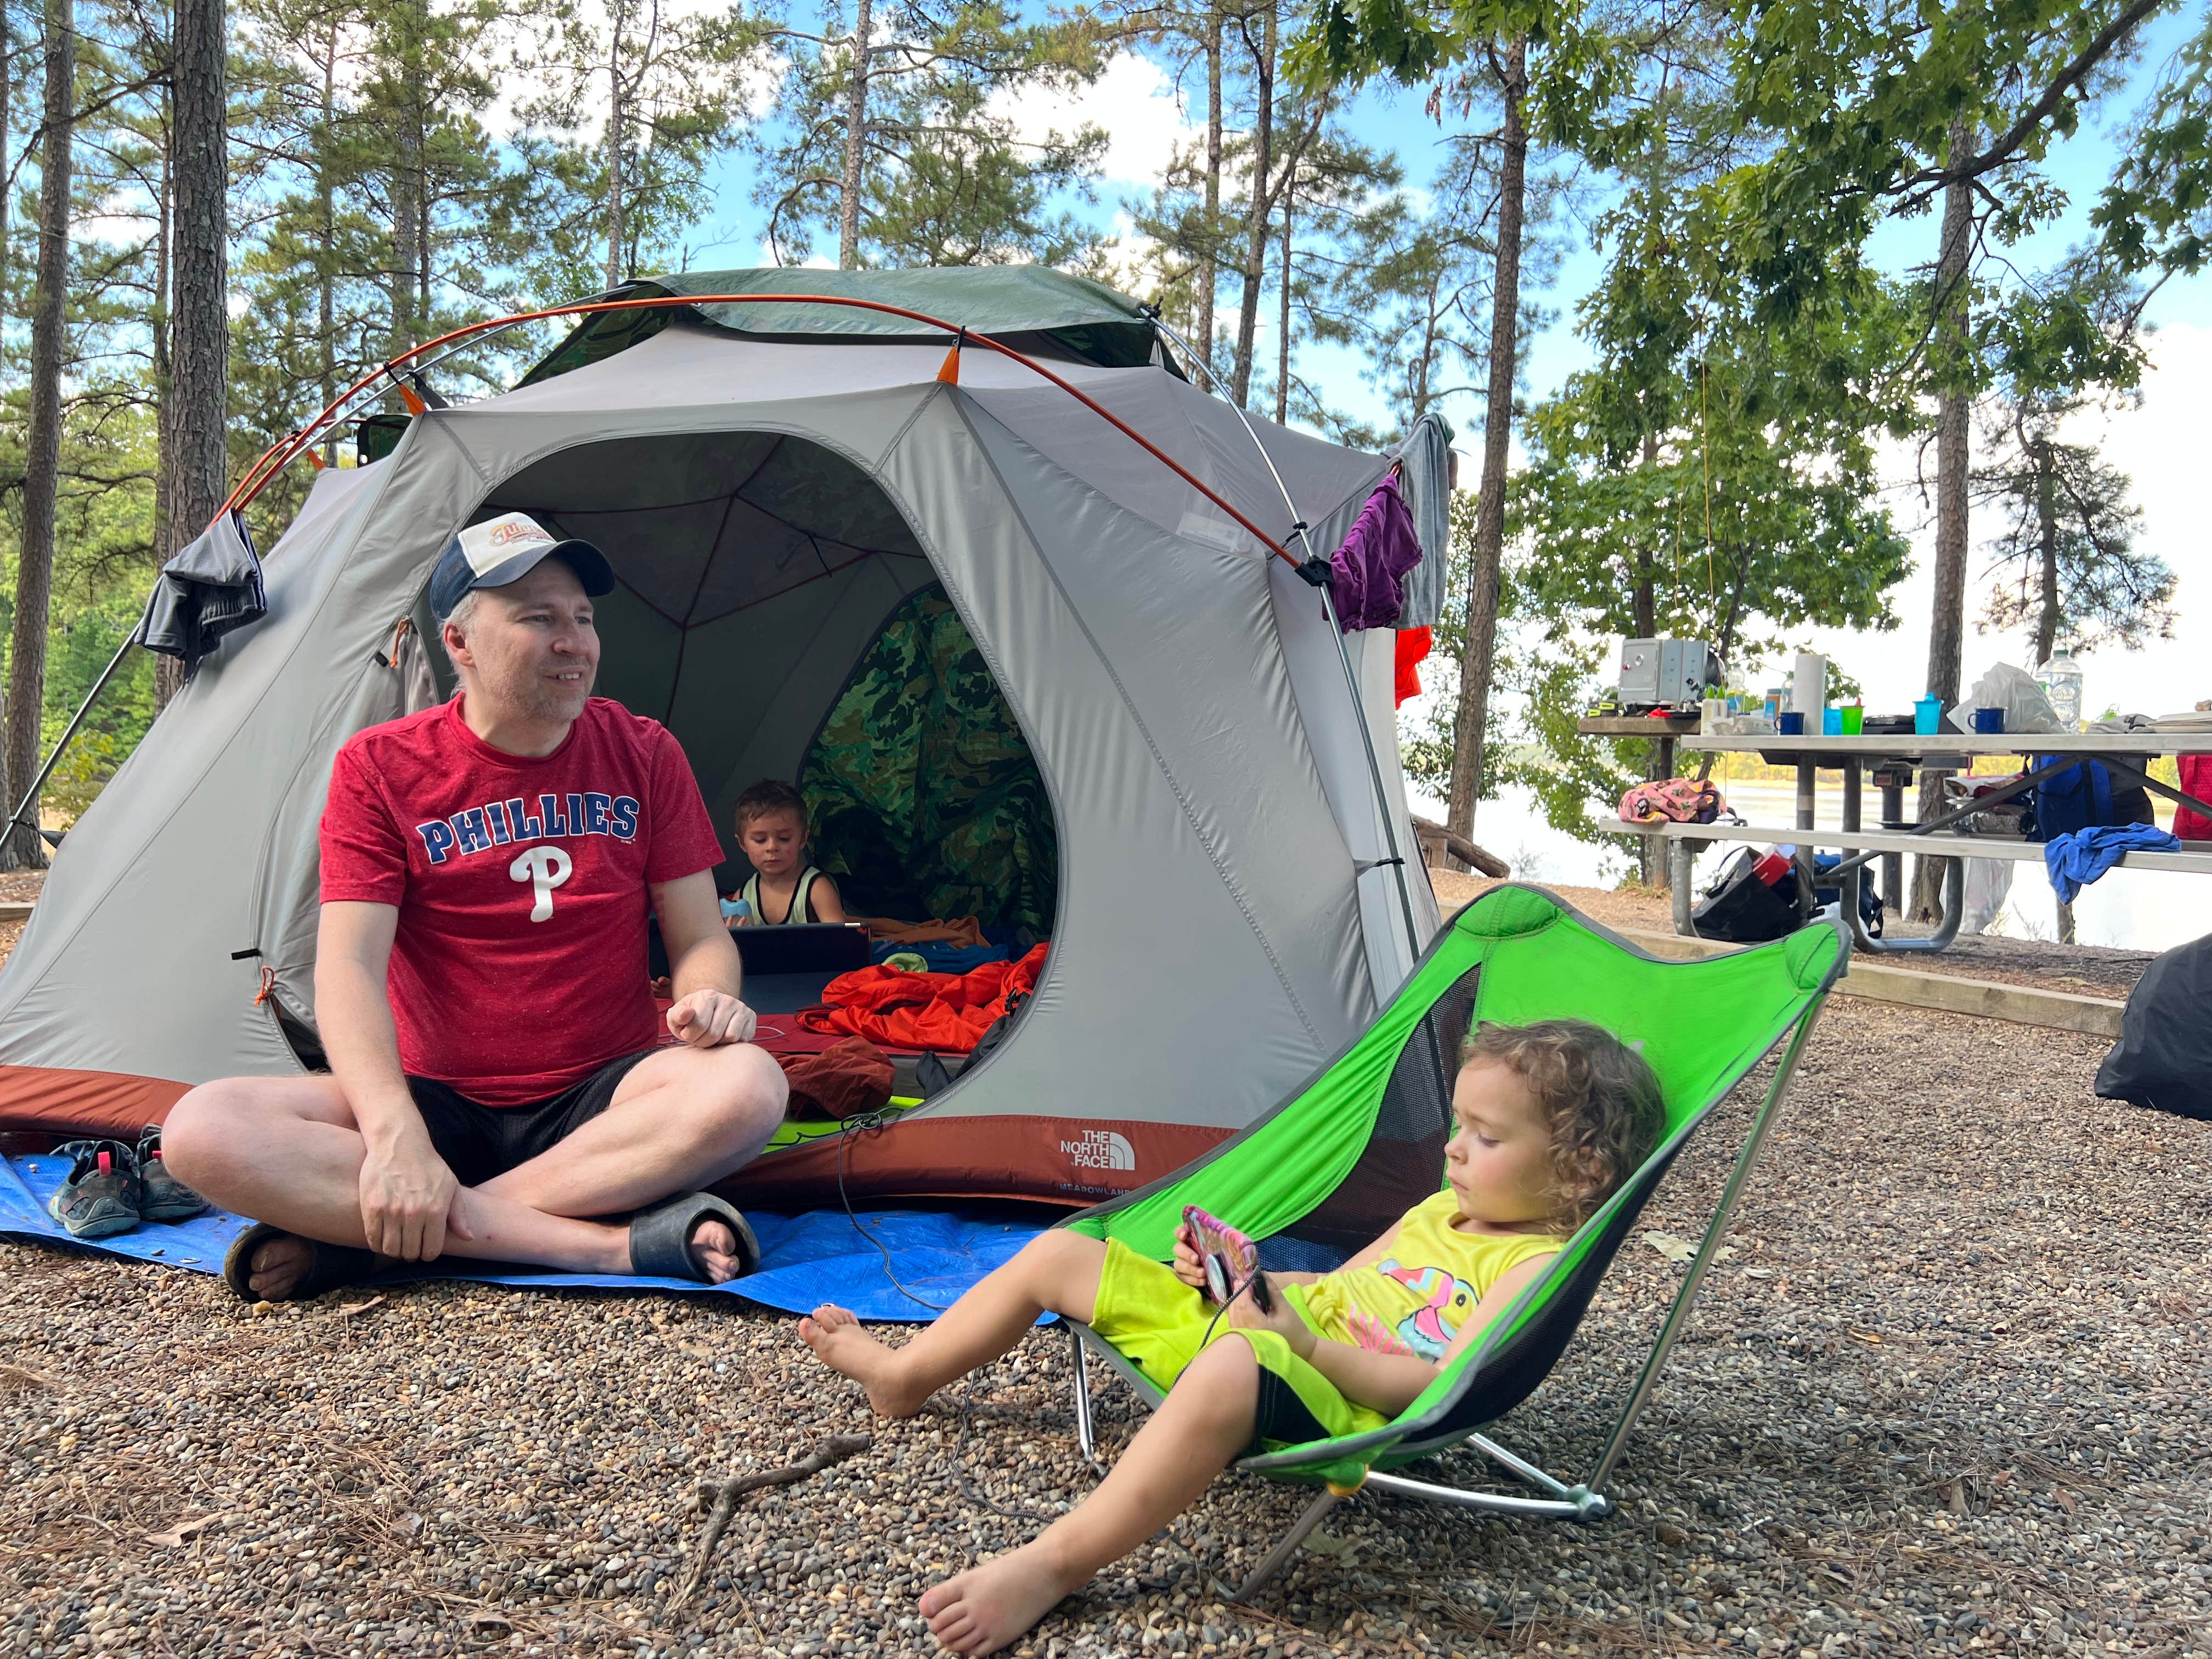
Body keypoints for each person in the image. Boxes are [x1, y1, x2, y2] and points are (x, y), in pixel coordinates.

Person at [800, 1019, 1664, 1656]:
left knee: (1239, 1361)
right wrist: (1245, 1278)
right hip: (1270, 1337)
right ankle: (905, 1376)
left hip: (1340, 1398)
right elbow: (1330, 1283)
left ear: (1582, 1169)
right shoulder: (1444, 1210)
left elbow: (1446, 1386)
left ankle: (1056, 1563)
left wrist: (1307, 1347)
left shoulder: (1534, 1266)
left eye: (1486, 1136)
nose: (1454, 1149)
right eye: (1458, 1126)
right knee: (1062, 1251)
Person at [165, 511, 789, 1302]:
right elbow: (349, 969)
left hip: (605, 1096)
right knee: (202, 1129)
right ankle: (604, 1247)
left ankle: (394, 1241)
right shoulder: (380, 767)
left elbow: (702, 937)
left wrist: (710, 996)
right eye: (539, 618)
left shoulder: (645, 751)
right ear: (458, 643)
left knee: (751, 1085)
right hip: (433, 1100)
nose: (576, 642)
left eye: (584, 618)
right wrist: (395, 1138)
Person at [730, 779, 847, 926]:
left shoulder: (817, 888)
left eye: (784, 838)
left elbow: (842, 942)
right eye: (760, 840)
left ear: (803, 839)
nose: (772, 847)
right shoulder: (742, 898)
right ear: (742, 843)